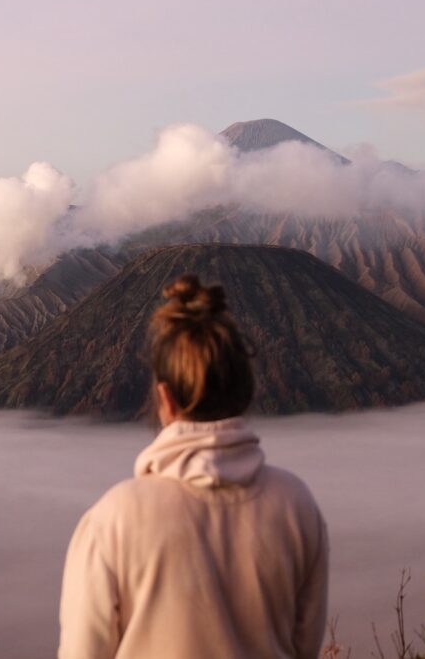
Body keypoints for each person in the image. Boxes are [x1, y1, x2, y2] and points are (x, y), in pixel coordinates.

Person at [57, 274, 329, 659]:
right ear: (244, 392)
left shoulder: (112, 521)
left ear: (165, 398)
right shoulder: (296, 506)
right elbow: (306, 647)